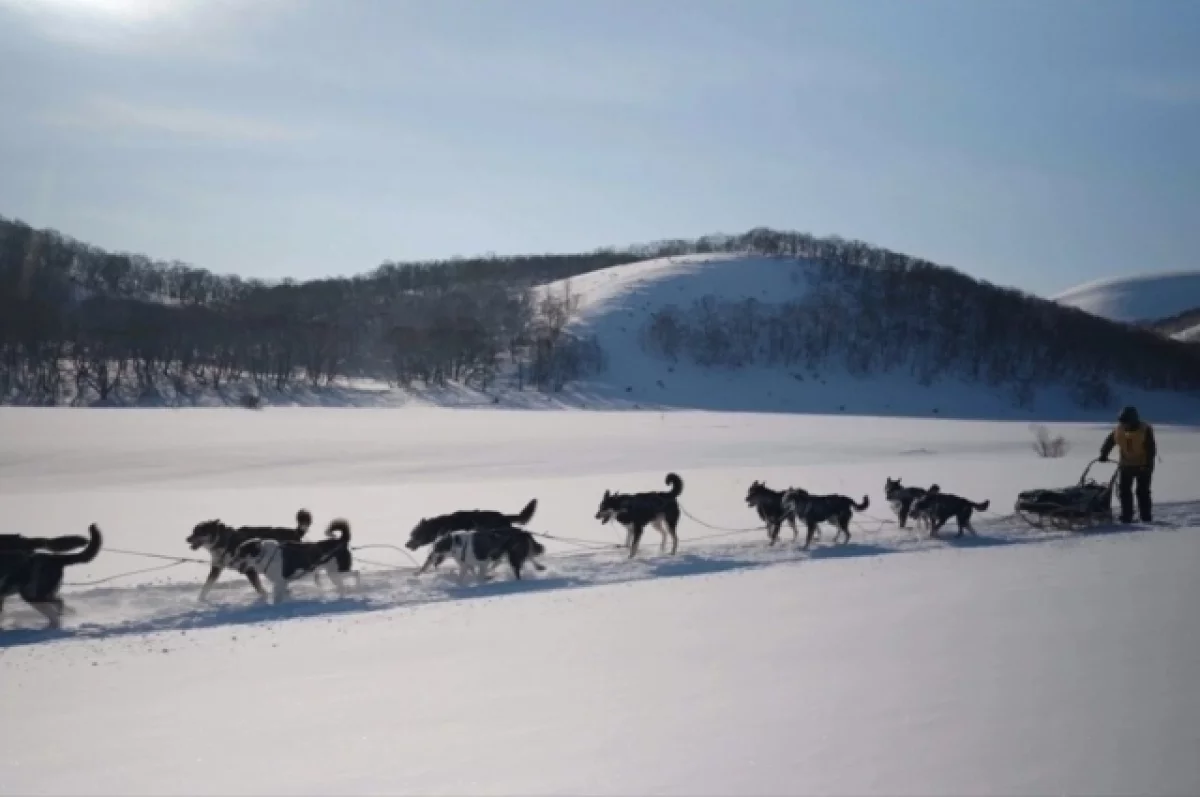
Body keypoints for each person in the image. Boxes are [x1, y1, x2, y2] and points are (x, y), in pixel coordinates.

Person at [1098, 405, 1157, 523]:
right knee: (1124, 491)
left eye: (1126, 422)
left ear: (1133, 421)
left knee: (1142, 492)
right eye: (1122, 422)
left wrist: (1147, 464)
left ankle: (1146, 517)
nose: (1124, 424)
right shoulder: (1119, 430)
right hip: (1126, 464)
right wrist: (1104, 454)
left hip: (1143, 465)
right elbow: (1109, 441)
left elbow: (1151, 449)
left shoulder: (1144, 430)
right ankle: (1126, 516)